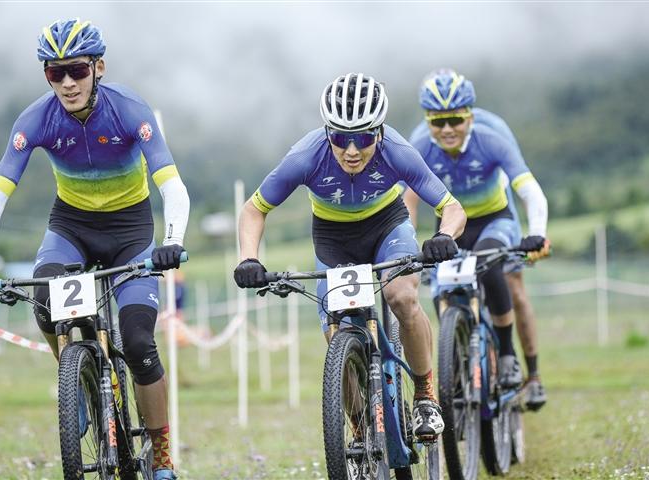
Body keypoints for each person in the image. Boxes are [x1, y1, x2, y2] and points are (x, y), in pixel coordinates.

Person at [0, 19, 188, 479]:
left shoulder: (129, 110)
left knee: (139, 343)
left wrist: (172, 242)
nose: (67, 83)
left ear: (98, 67)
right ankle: (75, 380)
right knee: (45, 304)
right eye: (54, 72)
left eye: (77, 70)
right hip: (71, 227)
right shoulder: (36, 120)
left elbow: (172, 185)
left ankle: (161, 455)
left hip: (130, 231)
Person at [233, 73, 467, 440]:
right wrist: (249, 258)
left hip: (387, 227)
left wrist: (443, 235)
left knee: (402, 298)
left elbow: (452, 208)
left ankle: (425, 396)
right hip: (334, 238)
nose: (352, 150)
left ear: (380, 132)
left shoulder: (398, 152)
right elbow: (253, 209)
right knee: (336, 330)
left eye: (364, 138)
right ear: (328, 133)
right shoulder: (305, 156)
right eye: (341, 139)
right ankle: (359, 426)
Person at [404, 70, 549, 402]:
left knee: (500, 274)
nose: (447, 129)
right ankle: (454, 352)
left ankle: (513, 358)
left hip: (495, 219)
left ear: (469, 116)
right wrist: (407, 245)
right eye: (438, 122)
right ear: (427, 121)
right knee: (440, 283)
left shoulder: (492, 138)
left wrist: (537, 234)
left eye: (455, 120)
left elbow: (530, 191)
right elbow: (407, 201)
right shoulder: (420, 146)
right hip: (451, 226)